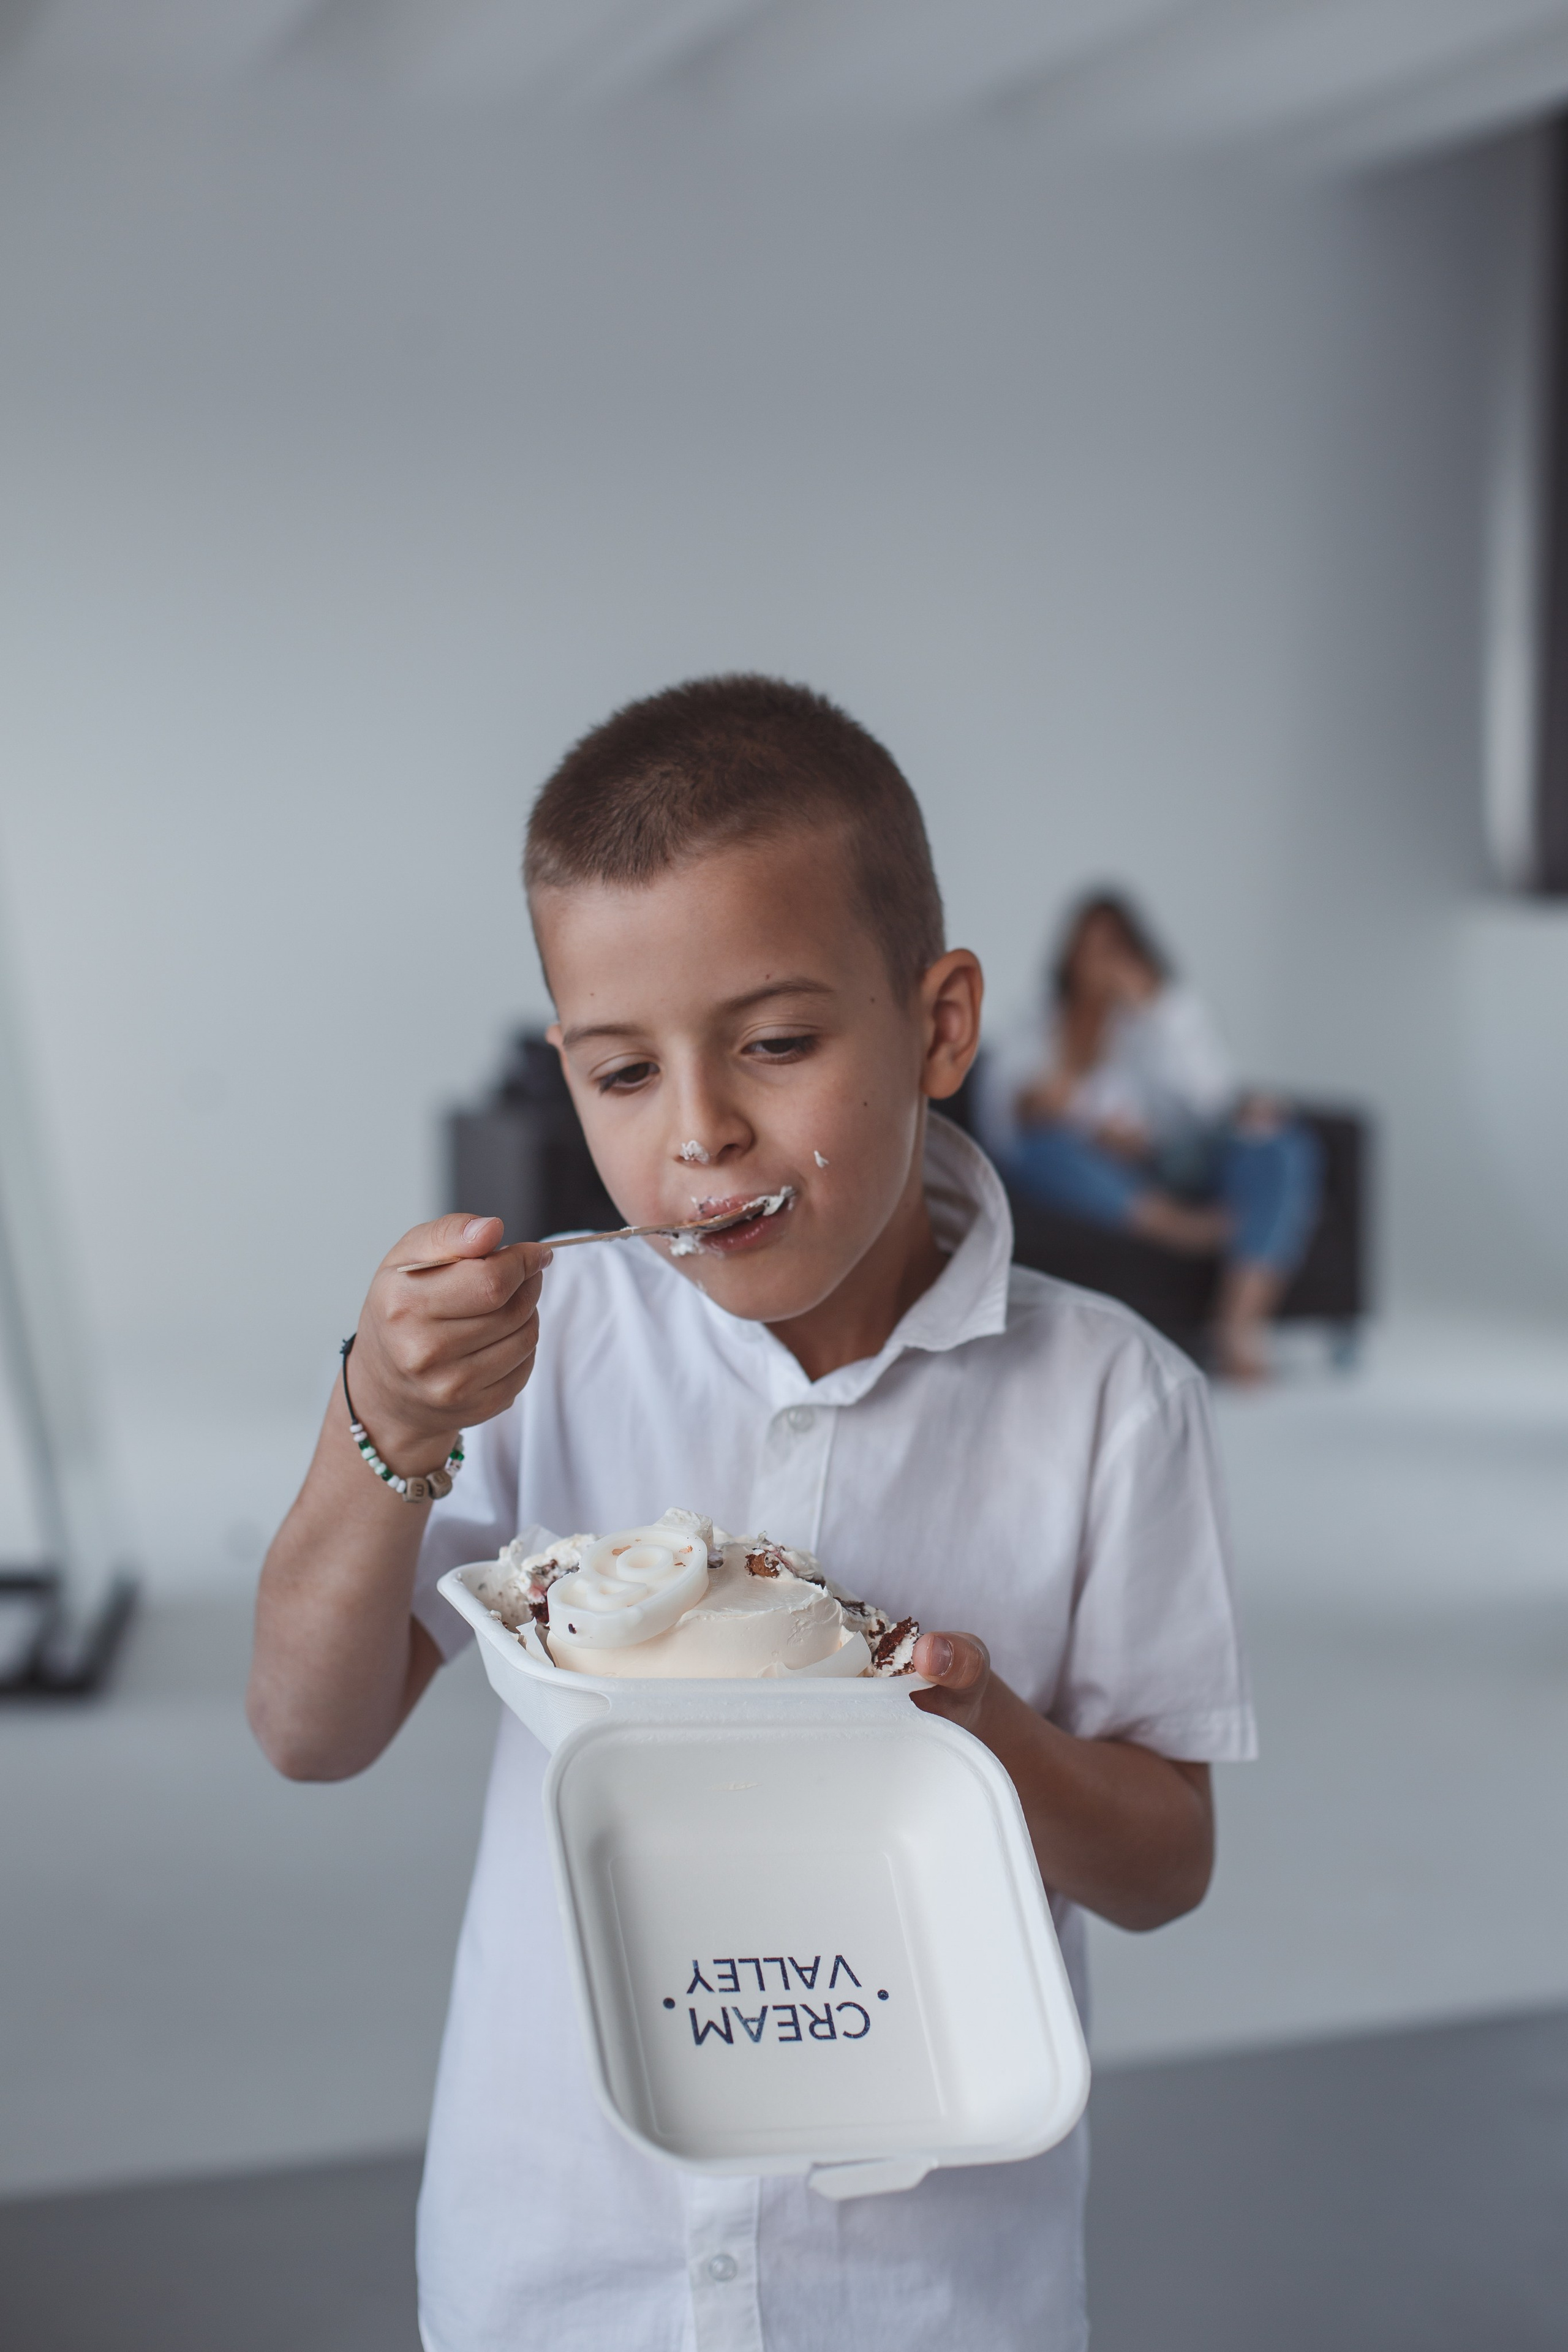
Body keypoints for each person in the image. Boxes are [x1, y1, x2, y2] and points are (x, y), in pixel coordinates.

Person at [248, 679, 1254, 2352]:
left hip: (933, 2289)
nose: (701, 1132)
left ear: (939, 1027)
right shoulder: (536, 1355)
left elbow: (1164, 1869)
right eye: (622, 1071)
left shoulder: (1112, 1404)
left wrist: (978, 1726)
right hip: (565, 2256)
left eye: (777, 1046)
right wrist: (386, 1419)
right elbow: (305, 1729)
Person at [993, 892, 1321, 1382]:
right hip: (1095, 1166)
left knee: (1282, 1145)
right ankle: (1182, 1227)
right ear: (1069, 956)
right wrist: (1085, 1115)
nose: (1101, 967)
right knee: (1043, 1152)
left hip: (1176, 1158)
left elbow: (1213, 1101)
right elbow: (1012, 1111)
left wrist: (1156, 1009)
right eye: (1090, 951)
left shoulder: (1168, 1014)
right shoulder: (1037, 1022)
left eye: (1114, 951)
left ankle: (1240, 1322)